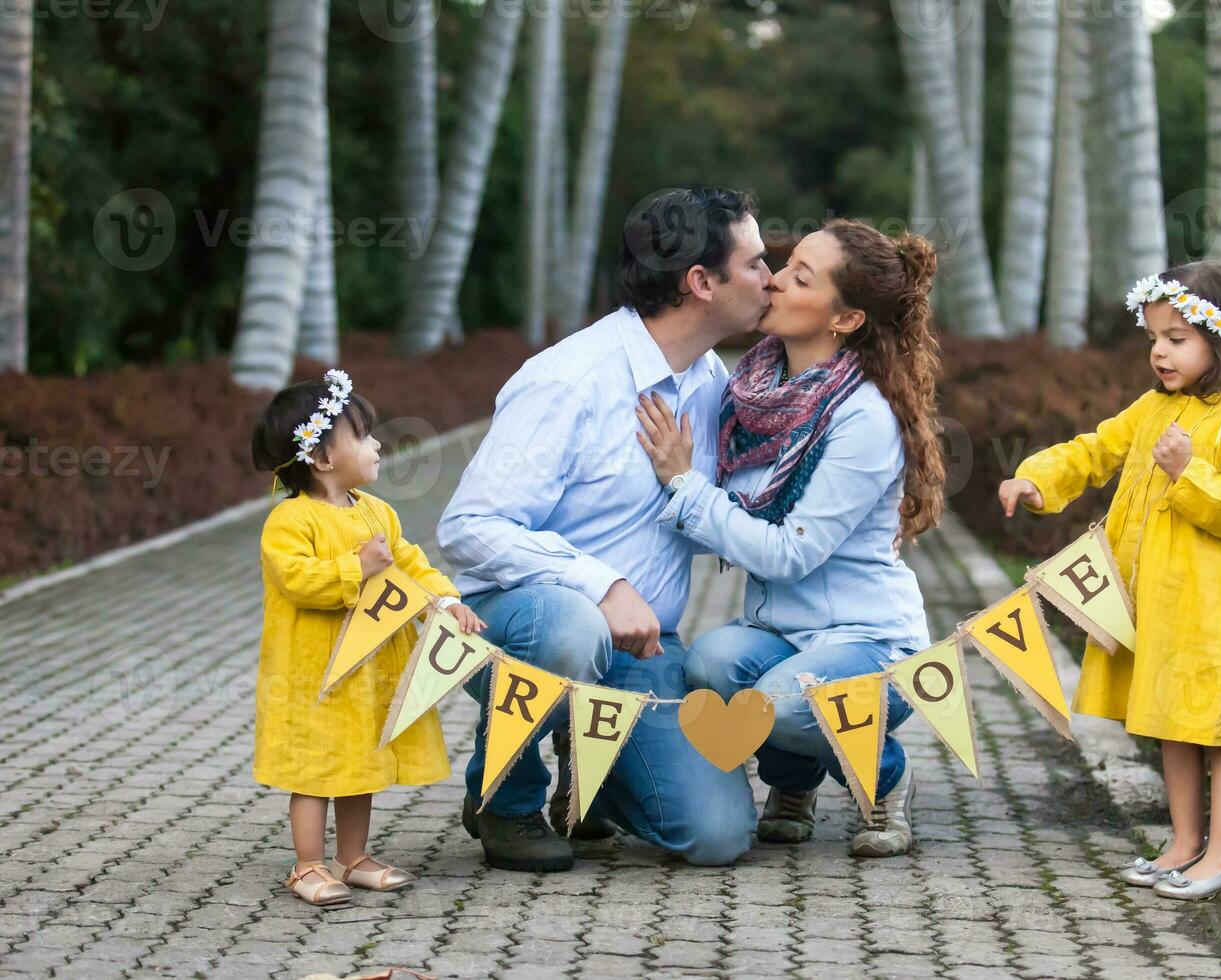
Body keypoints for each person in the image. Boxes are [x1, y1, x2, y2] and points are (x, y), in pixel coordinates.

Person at [437, 187, 771, 872]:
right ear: (701, 283)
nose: (771, 278)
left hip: (643, 651)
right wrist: (603, 583)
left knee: (717, 835)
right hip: (516, 624)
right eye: (757, 264)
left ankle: (589, 768)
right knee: (570, 629)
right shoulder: (569, 380)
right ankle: (505, 796)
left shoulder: (714, 383)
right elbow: (469, 525)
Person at [637, 219, 945, 857]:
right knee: (709, 665)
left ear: (846, 320)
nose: (773, 280)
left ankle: (884, 779)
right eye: (784, 264)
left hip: (869, 642)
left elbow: (789, 552)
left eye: (800, 278)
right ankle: (792, 783)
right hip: (783, 631)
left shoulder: (862, 417)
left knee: (778, 705)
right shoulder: (754, 390)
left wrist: (684, 485)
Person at [998, 260, 1221, 900]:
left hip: (1211, 609)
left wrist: (1188, 474)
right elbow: (1096, 448)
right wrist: (1037, 479)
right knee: (1167, 721)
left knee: (1218, 728)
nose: (1159, 351)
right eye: (1153, 337)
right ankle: (1184, 842)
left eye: (1177, 338)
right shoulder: (1155, 408)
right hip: (1151, 601)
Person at [251, 370, 485, 906]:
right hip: (314, 673)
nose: (376, 444)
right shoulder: (290, 520)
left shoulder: (378, 512)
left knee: (360, 764)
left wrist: (445, 603)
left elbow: (412, 566)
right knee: (312, 769)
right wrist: (354, 566)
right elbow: (298, 579)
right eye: (362, 436)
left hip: (371, 668)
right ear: (322, 458)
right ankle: (307, 864)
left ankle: (351, 856)